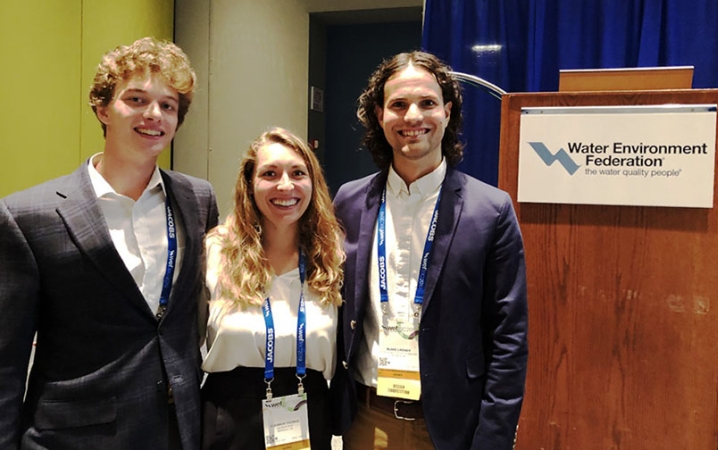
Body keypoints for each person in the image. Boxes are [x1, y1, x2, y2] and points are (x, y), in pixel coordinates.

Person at [0, 37, 219, 449]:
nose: (153, 114)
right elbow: (6, 361)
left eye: (168, 105)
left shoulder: (198, 199)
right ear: (102, 109)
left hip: (178, 429)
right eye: (136, 99)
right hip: (74, 437)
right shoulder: (28, 215)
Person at [331, 51, 528, 449]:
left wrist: (493, 437)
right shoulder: (348, 202)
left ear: (447, 111)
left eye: (427, 103)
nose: (412, 117)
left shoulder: (490, 210)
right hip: (368, 421)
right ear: (379, 114)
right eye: (398, 105)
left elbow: (509, 337)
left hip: (454, 427)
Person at [200, 127, 344, 450]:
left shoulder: (332, 258)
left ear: (313, 183)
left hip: (308, 414)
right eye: (270, 173)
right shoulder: (216, 252)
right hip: (230, 418)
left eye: (297, 173)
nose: (285, 185)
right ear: (249, 184)